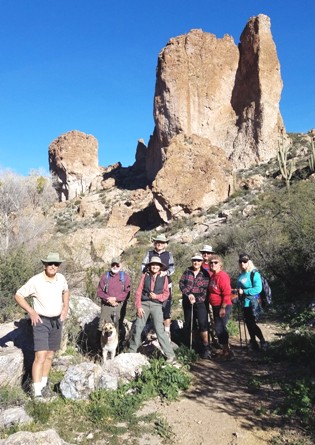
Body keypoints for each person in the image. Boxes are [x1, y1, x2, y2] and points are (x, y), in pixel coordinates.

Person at [14, 252, 69, 399]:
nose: (53, 266)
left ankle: (44, 386)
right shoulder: (36, 280)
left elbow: (66, 291)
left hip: (56, 321)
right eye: (50, 263)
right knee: (40, 355)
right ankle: (37, 392)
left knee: (50, 355)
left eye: (56, 264)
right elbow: (18, 295)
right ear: (45, 264)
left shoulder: (61, 278)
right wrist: (31, 311)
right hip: (41, 322)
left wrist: (65, 308)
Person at [129, 256, 176, 363]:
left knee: (160, 330)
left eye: (157, 265)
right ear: (150, 266)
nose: (154, 266)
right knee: (138, 328)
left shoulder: (164, 278)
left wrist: (157, 297)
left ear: (160, 267)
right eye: (153, 265)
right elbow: (138, 292)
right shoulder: (144, 276)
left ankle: (170, 355)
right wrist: (139, 306)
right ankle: (131, 351)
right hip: (144, 305)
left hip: (156, 306)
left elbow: (166, 294)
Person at [141, 234, 175, 337]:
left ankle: (167, 331)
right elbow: (143, 265)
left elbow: (172, 268)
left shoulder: (168, 254)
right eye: (157, 242)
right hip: (151, 284)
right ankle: (155, 330)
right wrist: (147, 272)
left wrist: (166, 273)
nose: (159, 244)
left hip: (166, 283)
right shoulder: (149, 253)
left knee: (166, 305)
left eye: (162, 242)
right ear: (155, 243)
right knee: (153, 304)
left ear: (165, 244)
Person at [179, 253, 210, 359]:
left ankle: (206, 347)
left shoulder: (205, 274)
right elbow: (181, 284)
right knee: (190, 324)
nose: (196, 262)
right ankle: (195, 345)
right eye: (194, 260)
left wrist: (196, 299)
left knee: (203, 324)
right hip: (187, 302)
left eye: (198, 261)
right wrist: (188, 294)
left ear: (201, 262)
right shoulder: (187, 271)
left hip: (201, 303)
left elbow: (205, 290)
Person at [236, 253, 268, 351]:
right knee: (248, 323)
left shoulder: (254, 273)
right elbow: (239, 287)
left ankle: (262, 341)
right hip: (244, 302)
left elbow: (258, 288)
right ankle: (253, 342)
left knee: (252, 323)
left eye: (244, 261)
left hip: (253, 302)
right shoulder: (241, 274)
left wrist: (244, 291)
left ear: (249, 262)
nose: (242, 263)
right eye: (240, 261)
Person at [97, 257, 131, 341]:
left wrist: (115, 299)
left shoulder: (125, 277)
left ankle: (118, 347)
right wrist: (108, 299)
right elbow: (99, 291)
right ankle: (100, 348)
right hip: (106, 305)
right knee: (102, 326)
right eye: (113, 264)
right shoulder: (105, 276)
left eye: (117, 264)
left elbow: (127, 292)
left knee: (117, 326)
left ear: (120, 265)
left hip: (119, 305)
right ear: (110, 265)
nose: (115, 266)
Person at [208, 255, 234, 360]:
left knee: (220, 328)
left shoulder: (222, 276)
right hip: (215, 305)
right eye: (211, 263)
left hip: (222, 305)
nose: (213, 264)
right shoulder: (213, 276)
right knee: (219, 327)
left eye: (215, 262)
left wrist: (223, 307)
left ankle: (228, 352)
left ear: (220, 265)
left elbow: (227, 293)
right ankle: (225, 350)